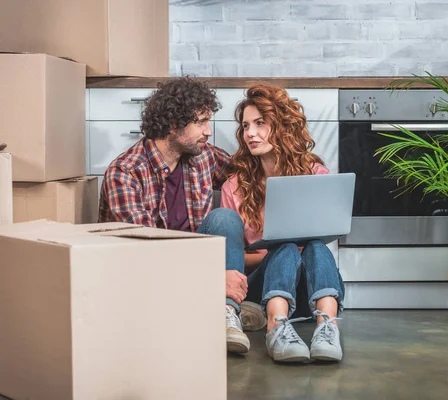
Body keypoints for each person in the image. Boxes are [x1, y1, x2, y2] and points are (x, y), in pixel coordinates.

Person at [98, 77, 265, 355]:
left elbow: (250, 176)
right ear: (173, 125)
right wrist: (213, 277)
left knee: (223, 217)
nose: (208, 131)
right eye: (200, 122)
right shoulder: (125, 174)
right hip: (148, 277)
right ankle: (218, 306)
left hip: (194, 267)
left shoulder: (203, 157)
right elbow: (146, 252)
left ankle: (226, 313)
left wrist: (287, 156)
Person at [220, 84, 345, 363]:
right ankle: (276, 327)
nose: (250, 133)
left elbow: (326, 237)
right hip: (262, 286)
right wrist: (271, 253)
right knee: (285, 247)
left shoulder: (315, 174)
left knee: (314, 245)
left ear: (283, 126)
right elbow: (233, 260)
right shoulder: (235, 186)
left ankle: (328, 328)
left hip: (308, 288)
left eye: (260, 123)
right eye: (245, 126)